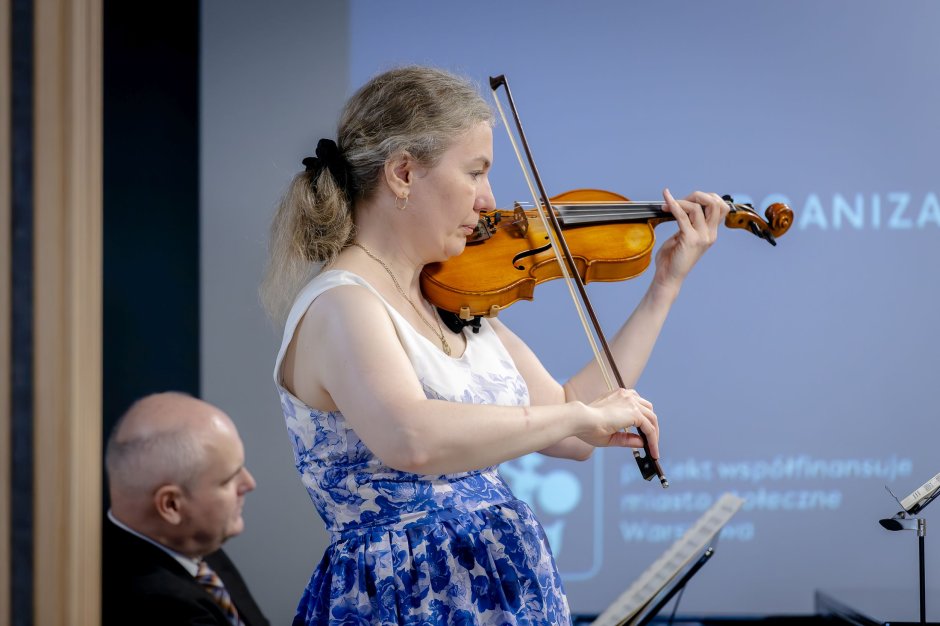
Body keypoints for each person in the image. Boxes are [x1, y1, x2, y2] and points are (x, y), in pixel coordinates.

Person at [262, 65, 729, 625]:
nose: (489, 200)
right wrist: (579, 415)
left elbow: (571, 429)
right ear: (404, 173)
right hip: (409, 598)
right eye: (476, 172)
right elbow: (411, 438)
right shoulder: (344, 302)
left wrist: (665, 285)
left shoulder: (450, 297)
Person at [103, 391, 269, 626]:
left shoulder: (195, 542)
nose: (249, 483)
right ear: (171, 505)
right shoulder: (157, 606)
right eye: (228, 479)